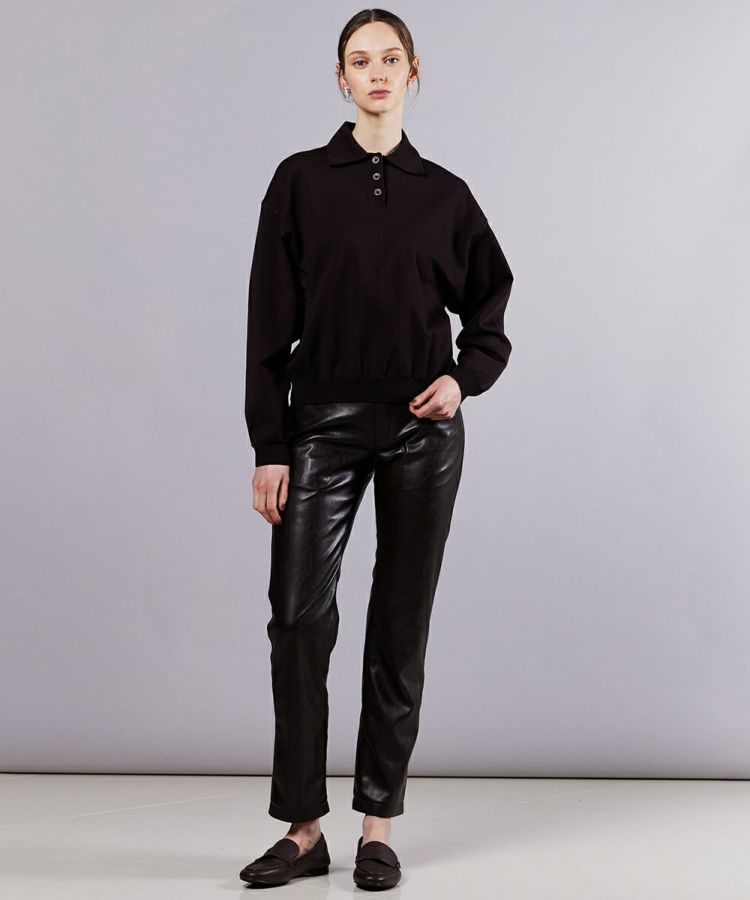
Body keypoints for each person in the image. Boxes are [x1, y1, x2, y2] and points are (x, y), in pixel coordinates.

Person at [239, 8, 514, 891]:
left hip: (420, 432)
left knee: (399, 622)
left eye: (391, 58)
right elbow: (266, 323)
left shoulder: (445, 194)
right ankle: (304, 830)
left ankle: (377, 826)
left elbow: (491, 304)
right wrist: (270, 443)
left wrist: (464, 378)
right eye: (361, 61)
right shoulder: (299, 182)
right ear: (342, 78)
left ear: (414, 71)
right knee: (297, 618)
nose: (378, 72)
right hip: (319, 423)